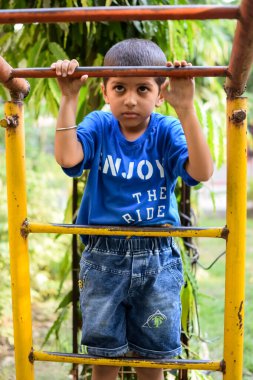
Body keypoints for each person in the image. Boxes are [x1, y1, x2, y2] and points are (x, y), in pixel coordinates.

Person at [52, 38, 213, 380]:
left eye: (142, 89)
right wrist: (68, 98)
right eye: (120, 88)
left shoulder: (166, 129)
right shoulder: (99, 124)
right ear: (105, 90)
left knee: (151, 359)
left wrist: (186, 110)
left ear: (160, 94)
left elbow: (201, 172)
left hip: (156, 256)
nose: (130, 99)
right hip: (103, 258)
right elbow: (68, 159)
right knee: (104, 358)